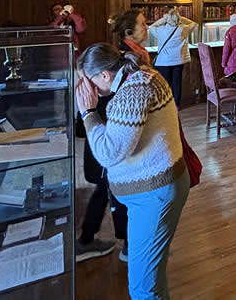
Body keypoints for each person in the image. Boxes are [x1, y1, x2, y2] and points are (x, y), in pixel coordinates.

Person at [76, 44, 189, 300]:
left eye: (89, 80)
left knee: (143, 288)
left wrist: (88, 112)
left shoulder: (132, 92)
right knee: (150, 277)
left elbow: (108, 153)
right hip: (154, 191)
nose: (87, 89)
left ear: (105, 74)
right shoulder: (142, 75)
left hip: (154, 196)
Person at [75, 9, 150, 264]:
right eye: (143, 24)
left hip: (111, 137)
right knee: (114, 189)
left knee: (107, 189)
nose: (147, 27)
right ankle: (126, 243)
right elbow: (110, 105)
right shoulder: (120, 61)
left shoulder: (130, 57)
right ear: (129, 32)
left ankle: (91, 238)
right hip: (109, 137)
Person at [150, 7, 196, 108]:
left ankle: (166, 106)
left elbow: (151, 27)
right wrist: (180, 18)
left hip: (164, 62)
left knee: (166, 84)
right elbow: (194, 24)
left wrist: (164, 19)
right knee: (177, 83)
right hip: (178, 60)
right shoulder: (183, 29)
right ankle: (176, 105)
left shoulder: (161, 30)